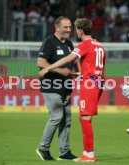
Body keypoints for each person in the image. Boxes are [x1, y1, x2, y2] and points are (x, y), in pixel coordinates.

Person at [39, 18, 106, 162]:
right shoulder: (99, 45)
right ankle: (62, 151)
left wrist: (49, 68)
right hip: (97, 82)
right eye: (66, 27)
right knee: (69, 118)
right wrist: (81, 74)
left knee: (84, 118)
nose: (72, 30)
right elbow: (91, 64)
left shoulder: (83, 44)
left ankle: (88, 154)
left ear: (80, 31)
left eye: (73, 28)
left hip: (89, 84)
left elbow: (69, 59)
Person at [36, 16, 78, 161]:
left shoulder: (69, 44)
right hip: (51, 86)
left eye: (70, 27)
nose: (68, 30)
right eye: (65, 27)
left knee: (66, 120)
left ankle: (64, 151)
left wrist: (77, 72)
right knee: (56, 117)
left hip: (66, 86)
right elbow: (40, 62)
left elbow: (74, 60)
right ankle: (43, 148)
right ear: (57, 27)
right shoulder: (49, 42)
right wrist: (60, 71)